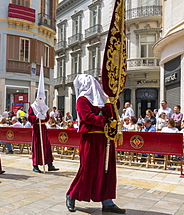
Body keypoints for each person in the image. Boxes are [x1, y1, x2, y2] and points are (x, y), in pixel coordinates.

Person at [66, 74, 125, 214]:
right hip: (91, 140)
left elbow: (113, 110)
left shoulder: (103, 99)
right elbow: (87, 117)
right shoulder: (82, 100)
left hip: (106, 139)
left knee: (107, 171)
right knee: (88, 169)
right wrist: (104, 121)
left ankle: (107, 201)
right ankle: (72, 194)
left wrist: (113, 96)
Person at [28, 62, 58, 173]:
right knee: (37, 146)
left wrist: (44, 117)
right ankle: (35, 165)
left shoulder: (44, 106)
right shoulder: (32, 107)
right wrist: (36, 117)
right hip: (36, 129)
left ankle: (50, 164)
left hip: (43, 128)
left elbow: (47, 118)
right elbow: (30, 118)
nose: (41, 100)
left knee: (46, 146)